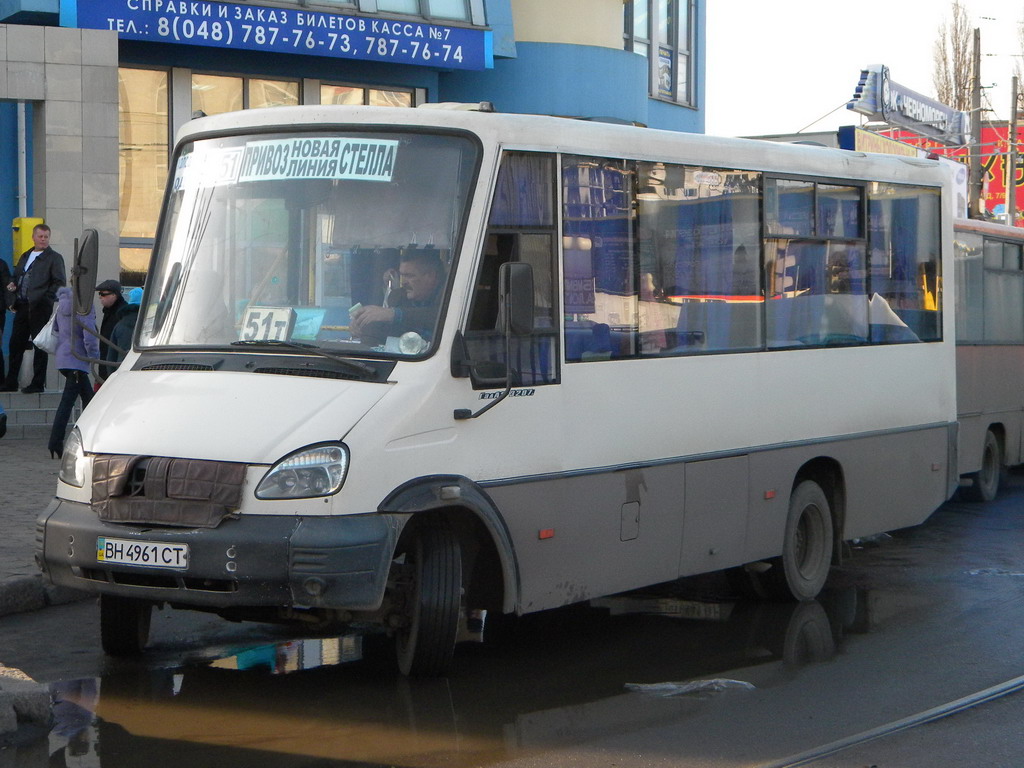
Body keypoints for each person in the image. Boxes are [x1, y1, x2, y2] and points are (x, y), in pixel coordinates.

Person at [2, 223, 66, 393]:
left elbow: (59, 282)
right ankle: (11, 381)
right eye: (40, 236)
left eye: (46, 237)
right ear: (33, 237)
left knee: (39, 345)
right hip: (23, 305)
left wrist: (45, 299)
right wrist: (13, 290)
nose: (43, 240)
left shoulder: (54, 258)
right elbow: (16, 277)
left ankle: (38, 383)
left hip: (40, 306)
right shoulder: (26, 255)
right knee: (16, 343)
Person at [349, 250, 444, 346]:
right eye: (402, 275)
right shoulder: (397, 297)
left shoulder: (450, 294)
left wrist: (394, 314)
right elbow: (385, 332)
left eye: (410, 276)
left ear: (431, 276)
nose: (403, 282)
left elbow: (440, 317)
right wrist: (363, 323)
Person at [48, 286, 99, 458]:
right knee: (68, 403)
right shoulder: (84, 306)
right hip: (77, 360)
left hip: (63, 358)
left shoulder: (61, 304)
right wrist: (94, 356)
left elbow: (55, 328)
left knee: (89, 401)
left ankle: (89, 438)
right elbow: (90, 335)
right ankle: (55, 442)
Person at [95, 279, 127, 382]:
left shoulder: (122, 313)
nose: (100, 297)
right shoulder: (108, 311)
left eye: (103, 294)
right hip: (106, 361)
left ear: (114, 295)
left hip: (115, 363)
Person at [104, 287, 142, 371]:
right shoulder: (150, 326)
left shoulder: (119, 326)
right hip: (145, 372)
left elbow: (111, 356)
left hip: (123, 371)